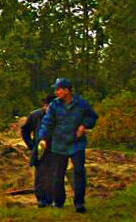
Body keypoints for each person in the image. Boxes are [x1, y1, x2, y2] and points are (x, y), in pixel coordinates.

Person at [37, 77, 98, 212]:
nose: (56, 92)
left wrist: (84, 125)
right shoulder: (54, 105)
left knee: (79, 171)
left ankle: (79, 202)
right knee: (58, 174)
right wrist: (43, 138)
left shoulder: (81, 104)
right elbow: (47, 122)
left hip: (77, 143)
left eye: (58, 89)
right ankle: (58, 201)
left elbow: (92, 116)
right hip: (59, 143)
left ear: (67, 90)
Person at [20, 95, 55, 206]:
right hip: (41, 149)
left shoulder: (60, 116)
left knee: (54, 175)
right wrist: (31, 145)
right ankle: (41, 199)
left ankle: (52, 198)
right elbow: (25, 130)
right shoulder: (35, 116)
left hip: (56, 149)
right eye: (48, 106)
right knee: (41, 175)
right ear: (44, 105)